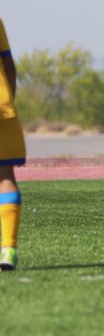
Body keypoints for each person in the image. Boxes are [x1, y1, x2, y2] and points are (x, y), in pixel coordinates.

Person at [0, 18, 26, 270]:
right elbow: (10, 68)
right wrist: (9, 105)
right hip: (2, 108)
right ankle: (8, 249)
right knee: (5, 175)